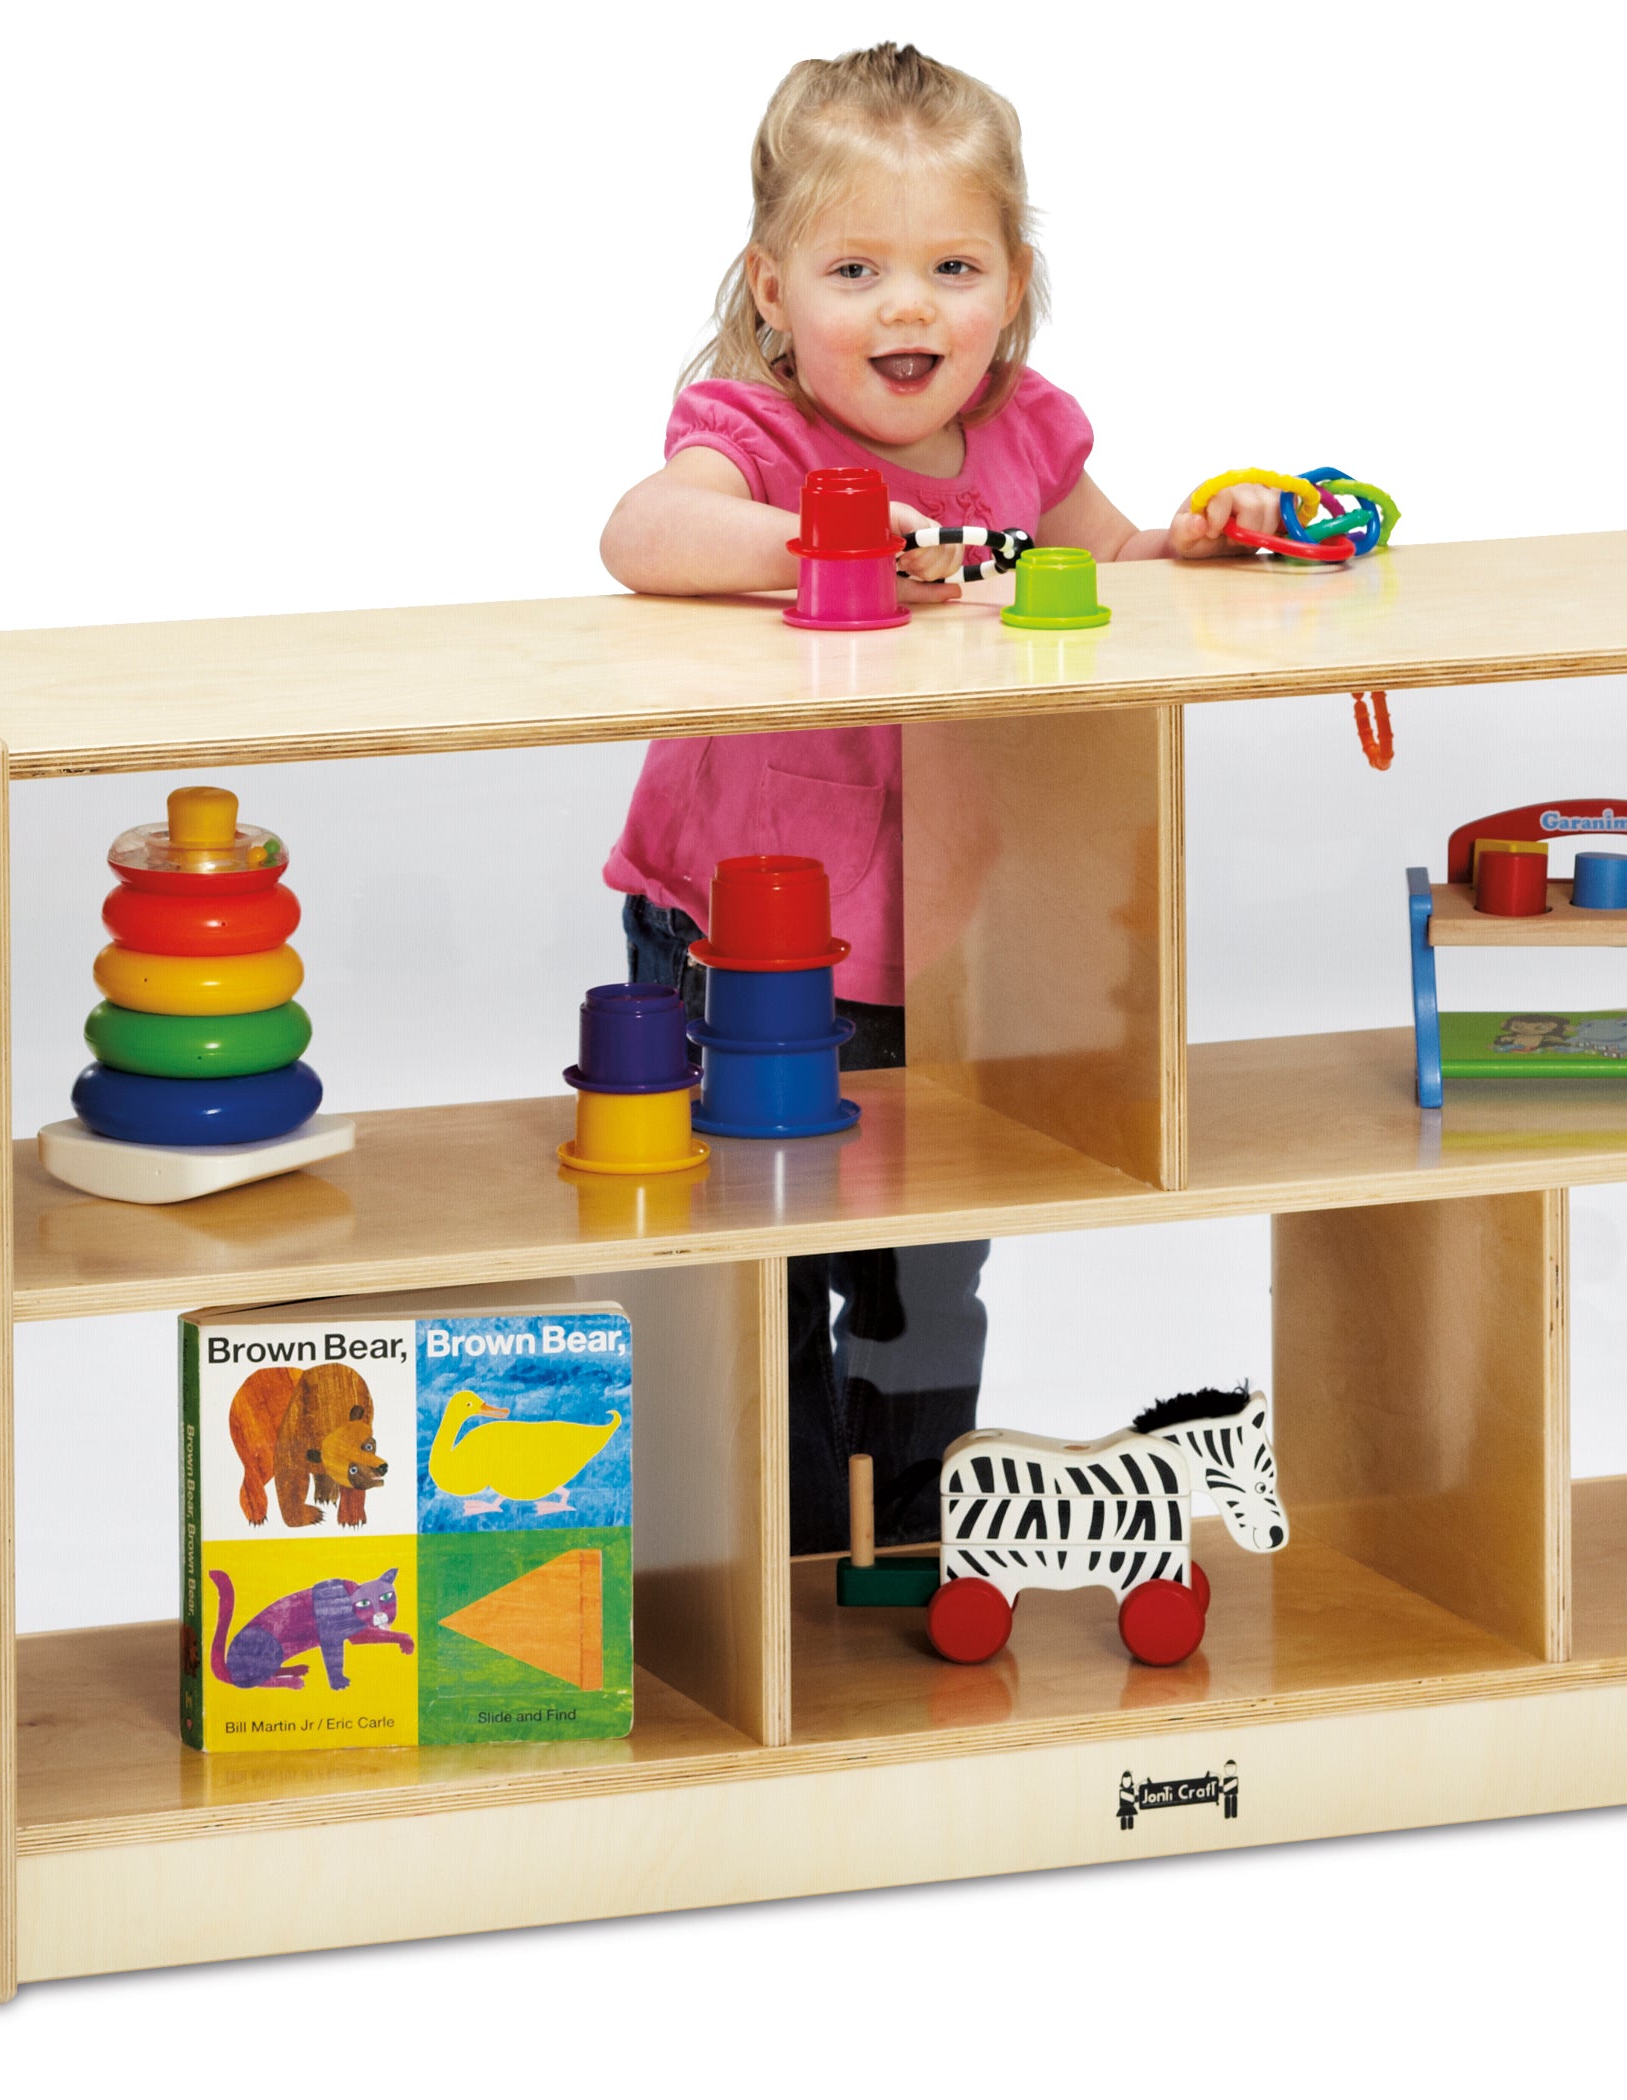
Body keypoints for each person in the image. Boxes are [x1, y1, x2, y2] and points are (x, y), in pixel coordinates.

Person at [598, 42, 1289, 1555]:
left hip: (948, 950)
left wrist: (1202, 540)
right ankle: (772, 1551)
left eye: (952, 267)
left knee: (923, 1273)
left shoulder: (1028, 434)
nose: (906, 307)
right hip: (746, 940)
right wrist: (828, 535)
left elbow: (1110, 567)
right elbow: (645, 536)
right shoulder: (756, 437)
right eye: (855, 269)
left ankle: (905, 1539)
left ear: (1014, 286)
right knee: (757, 1261)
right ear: (772, 291)